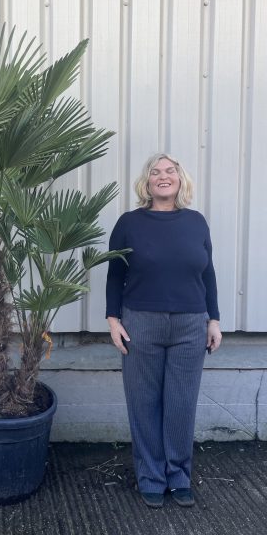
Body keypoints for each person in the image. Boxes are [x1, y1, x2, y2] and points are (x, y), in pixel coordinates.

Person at [106, 153, 222, 509]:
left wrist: (213, 319)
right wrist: (113, 320)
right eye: (155, 172)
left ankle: (178, 476)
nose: (163, 176)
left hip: (191, 322)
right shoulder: (129, 223)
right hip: (141, 322)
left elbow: (208, 274)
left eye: (170, 171)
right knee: (143, 403)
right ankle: (151, 477)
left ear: (180, 180)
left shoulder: (196, 222)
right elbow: (115, 274)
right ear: (147, 183)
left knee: (181, 404)